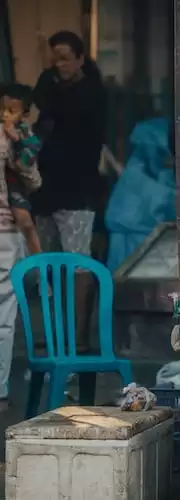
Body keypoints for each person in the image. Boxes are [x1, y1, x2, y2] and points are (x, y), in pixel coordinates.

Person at [30, 30, 105, 256]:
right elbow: (39, 100)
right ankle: (51, 293)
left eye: (64, 59)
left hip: (77, 190)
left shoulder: (92, 92)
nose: (59, 66)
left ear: (80, 59)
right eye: (55, 61)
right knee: (47, 255)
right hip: (47, 187)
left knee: (77, 257)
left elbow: (65, 111)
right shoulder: (51, 84)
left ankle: (78, 294)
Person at [0, 86, 43, 408]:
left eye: (13, 110)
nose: (7, 116)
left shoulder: (23, 137)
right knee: (4, 312)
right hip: (7, 229)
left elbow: (31, 176)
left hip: (9, 229)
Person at [2, 84, 43, 256]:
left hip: (14, 183)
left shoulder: (26, 135)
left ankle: (38, 258)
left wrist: (17, 141)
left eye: (11, 111)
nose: (4, 115)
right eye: (1, 109)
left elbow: (27, 168)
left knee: (24, 219)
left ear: (24, 115)